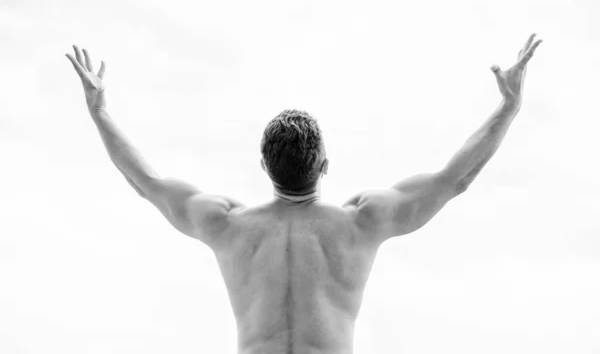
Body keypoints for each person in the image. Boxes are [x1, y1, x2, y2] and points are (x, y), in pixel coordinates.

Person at [66, 33, 542, 354]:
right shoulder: (363, 222)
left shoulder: (225, 224)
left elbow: (144, 182)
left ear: (264, 167)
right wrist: (509, 106)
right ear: (326, 166)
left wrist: (100, 110)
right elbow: (454, 180)